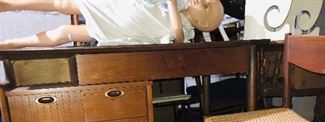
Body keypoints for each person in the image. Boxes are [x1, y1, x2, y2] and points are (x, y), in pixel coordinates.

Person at [0, 0, 224, 48]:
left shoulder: (184, 28)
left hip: (114, 29)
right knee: (62, 3)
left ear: (201, 23)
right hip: (114, 8)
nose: (201, 1)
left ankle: (13, 43)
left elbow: (176, 39)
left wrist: (172, 4)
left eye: (205, 6)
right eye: (206, 0)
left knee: (63, 33)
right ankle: (10, 4)